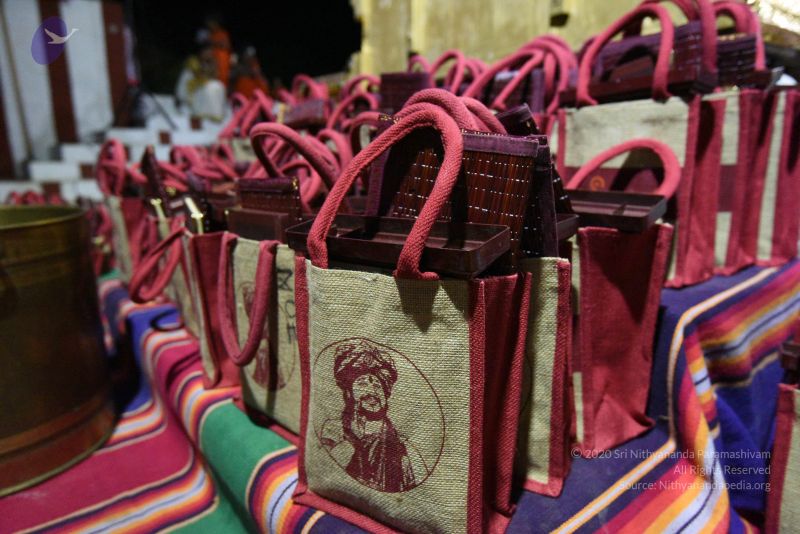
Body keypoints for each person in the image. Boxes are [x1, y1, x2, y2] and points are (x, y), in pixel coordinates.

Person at [320, 339, 429, 493]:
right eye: (362, 383)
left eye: (378, 385)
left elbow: (419, 485)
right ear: (349, 392)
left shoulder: (404, 447)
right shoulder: (334, 430)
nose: (372, 391)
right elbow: (328, 469)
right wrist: (353, 441)